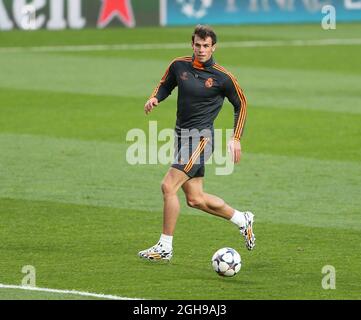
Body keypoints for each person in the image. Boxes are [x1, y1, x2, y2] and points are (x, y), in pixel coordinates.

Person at [138, 25, 255, 261]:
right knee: (195, 199)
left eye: (206, 46)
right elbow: (165, 84)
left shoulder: (223, 77)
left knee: (168, 186)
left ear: (214, 47)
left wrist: (235, 138)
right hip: (181, 137)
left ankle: (165, 246)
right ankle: (243, 219)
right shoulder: (179, 65)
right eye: (198, 45)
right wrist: (155, 98)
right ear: (192, 45)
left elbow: (241, 104)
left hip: (201, 140)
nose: (201, 50)